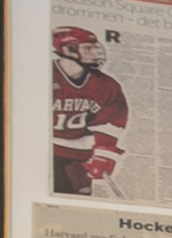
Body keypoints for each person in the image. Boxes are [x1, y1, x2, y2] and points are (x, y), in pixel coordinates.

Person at [49, 29, 128, 195]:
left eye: (94, 48)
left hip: (79, 154)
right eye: (87, 48)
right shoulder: (45, 74)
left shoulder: (106, 85)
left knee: (77, 197)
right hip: (45, 148)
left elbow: (110, 121)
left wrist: (103, 154)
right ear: (67, 50)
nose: (95, 53)